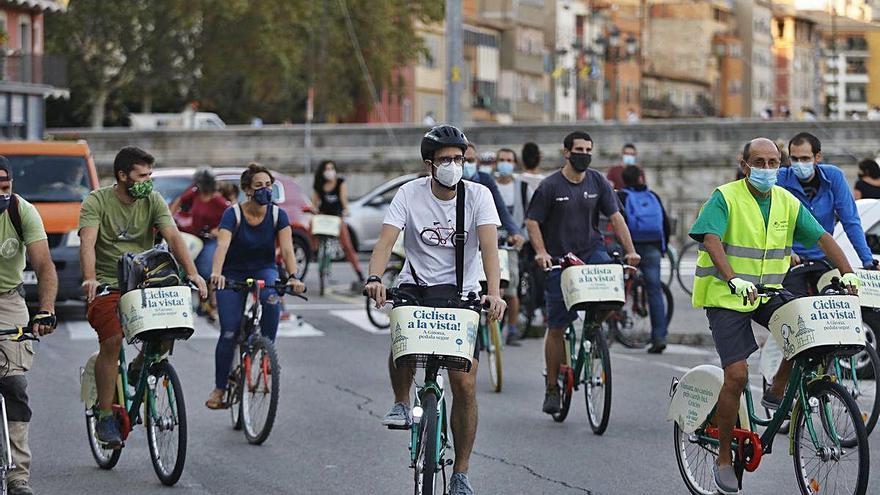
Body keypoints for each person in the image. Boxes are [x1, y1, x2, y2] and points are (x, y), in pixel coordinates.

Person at [689, 137, 858, 495]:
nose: (767, 169)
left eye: (773, 163)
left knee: (809, 331)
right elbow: (711, 239)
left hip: (766, 291)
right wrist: (732, 278)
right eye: (759, 162)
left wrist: (847, 271)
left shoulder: (786, 200)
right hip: (726, 294)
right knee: (735, 375)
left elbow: (823, 236)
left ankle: (779, 385)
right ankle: (723, 458)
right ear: (744, 162)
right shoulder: (726, 196)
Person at [365, 125, 506, 495]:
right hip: (417, 284)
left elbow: (490, 250)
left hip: (462, 292)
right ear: (430, 164)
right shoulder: (408, 194)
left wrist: (494, 293)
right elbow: (385, 242)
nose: (454, 165)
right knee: (402, 340)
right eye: (445, 159)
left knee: (464, 383)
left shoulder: (479, 196)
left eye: (459, 159)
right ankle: (399, 402)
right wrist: (375, 277)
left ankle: (461, 472)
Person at [79, 147, 208, 449]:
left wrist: (194, 273)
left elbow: (174, 237)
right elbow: (88, 241)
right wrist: (90, 277)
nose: (147, 181)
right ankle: (104, 415)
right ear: (122, 176)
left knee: (170, 328)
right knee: (111, 342)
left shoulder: (153, 200)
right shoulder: (96, 202)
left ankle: (139, 366)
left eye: (150, 175)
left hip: (146, 282)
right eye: (142, 176)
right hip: (109, 285)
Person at [525, 131, 641, 415]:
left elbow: (616, 217)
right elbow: (532, 221)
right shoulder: (550, 186)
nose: (584, 154)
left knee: (614, 298)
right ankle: (552, 387)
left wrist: (631, 250)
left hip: (592, 253)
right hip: (560, 260)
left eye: (588, 149)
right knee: (556, 326)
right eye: (579, 149)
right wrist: (541, 252)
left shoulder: (598, 181)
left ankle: (593, 328)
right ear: (566, 152)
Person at [206, 163, 306, 409]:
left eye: (268, 186)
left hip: (264, 269)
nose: (265, 190)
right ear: (247, 190)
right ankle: (219, 388)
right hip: (232, 273)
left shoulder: (277, 215)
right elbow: (222, 246)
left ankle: (267, 350)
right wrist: (216, 274)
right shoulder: (233, 214)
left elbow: (287, 249)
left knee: (272, 299)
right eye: (259, 186)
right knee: (229, 331)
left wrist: (293, 276)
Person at [0, 156, 57, 495]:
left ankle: (17, 474)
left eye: (5, 186)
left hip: (8, 299)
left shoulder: (22, 212)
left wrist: (46, 310)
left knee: (15, 385)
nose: (1, 193)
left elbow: (44, 264)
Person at [778, 132, 875, 296]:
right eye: (794, 159)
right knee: (793, 305)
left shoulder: (834, 177)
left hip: (824, 257)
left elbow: (850, 221)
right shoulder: (780, 178)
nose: (799, 164)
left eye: (805, 159)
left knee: (840, 299)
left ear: (817, 157)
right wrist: (787, 252)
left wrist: (868, 261)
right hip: (791, 260)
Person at [618, 165, 671, 353]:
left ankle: (614, 323)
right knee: (655, 291)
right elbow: (665, 222)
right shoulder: (653, 196)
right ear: (641, 178)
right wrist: (663, 247)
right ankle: (659, 337)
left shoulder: (622, 196)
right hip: (653, 245)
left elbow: (618, 222)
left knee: (620, 285)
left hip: (630, 245)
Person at [493, 148, 531, 344]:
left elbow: (531, 218)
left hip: (512, 249)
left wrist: (519, 237)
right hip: (490, 244)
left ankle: (513, 330)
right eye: (501, 160)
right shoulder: (489, 186)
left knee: (511, 290)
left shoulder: (523, 188)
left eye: (508, 160)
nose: (505, 163)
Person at [169, 167, 230, 283]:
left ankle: (208, 296)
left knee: (204, 269)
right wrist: (169, 219)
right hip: (195, 236)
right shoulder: (195, 193)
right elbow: (179, 200)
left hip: (211, 238)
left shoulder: (219, 201)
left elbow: (232, 218)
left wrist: (218, 230)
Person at [311, 160, 364, 285]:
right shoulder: (319, 185)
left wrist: (345, 211)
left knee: (347, 246)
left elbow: (344, 202)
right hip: (323, 218)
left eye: (331, 168)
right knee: (310, 226)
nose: (329, 172)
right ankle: (313, 251)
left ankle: (359, 273)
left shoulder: (340, 183)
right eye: (327, 169)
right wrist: (313, 211)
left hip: (336, 219)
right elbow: (314, 204)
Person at [462, 145, 524, 245]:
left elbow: (500, 207)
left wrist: (514, 232)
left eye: (471, 160)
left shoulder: (485, 180)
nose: (467, 164)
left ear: (476, 161)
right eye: (463, 160)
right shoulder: (452, 182)